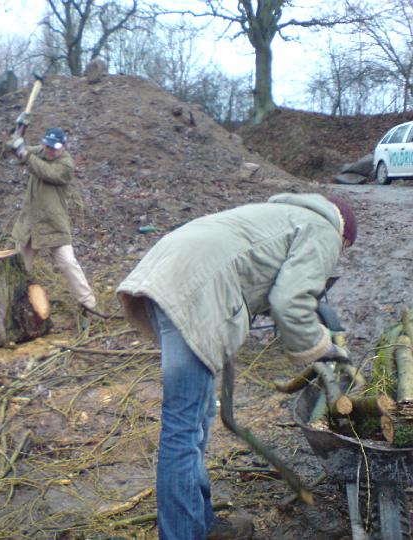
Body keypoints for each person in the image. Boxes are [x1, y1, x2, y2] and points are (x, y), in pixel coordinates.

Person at [116, 193, 357, 540]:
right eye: (343, 250)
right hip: (195, 290)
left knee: (196, 419)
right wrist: (322, 348)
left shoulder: (281, 213)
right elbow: (290, 301)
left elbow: (253, 273)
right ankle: (184, 534)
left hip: (167, 273)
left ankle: (200, 524)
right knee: (183, 429)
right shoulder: (324, 229)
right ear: (344, 235)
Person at [8, 125, 106, 318]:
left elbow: (45, 171)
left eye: (54, 148)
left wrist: (23, 152)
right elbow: (21, 153)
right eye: (48, 147)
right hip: (30, 224)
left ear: (64, 146)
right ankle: (11, 309)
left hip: (54, 224)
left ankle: (90, 307)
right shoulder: (42, 152)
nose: (50, 151)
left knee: (68, 263)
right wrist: (16, 137)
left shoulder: (66, 165)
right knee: (19, 269)